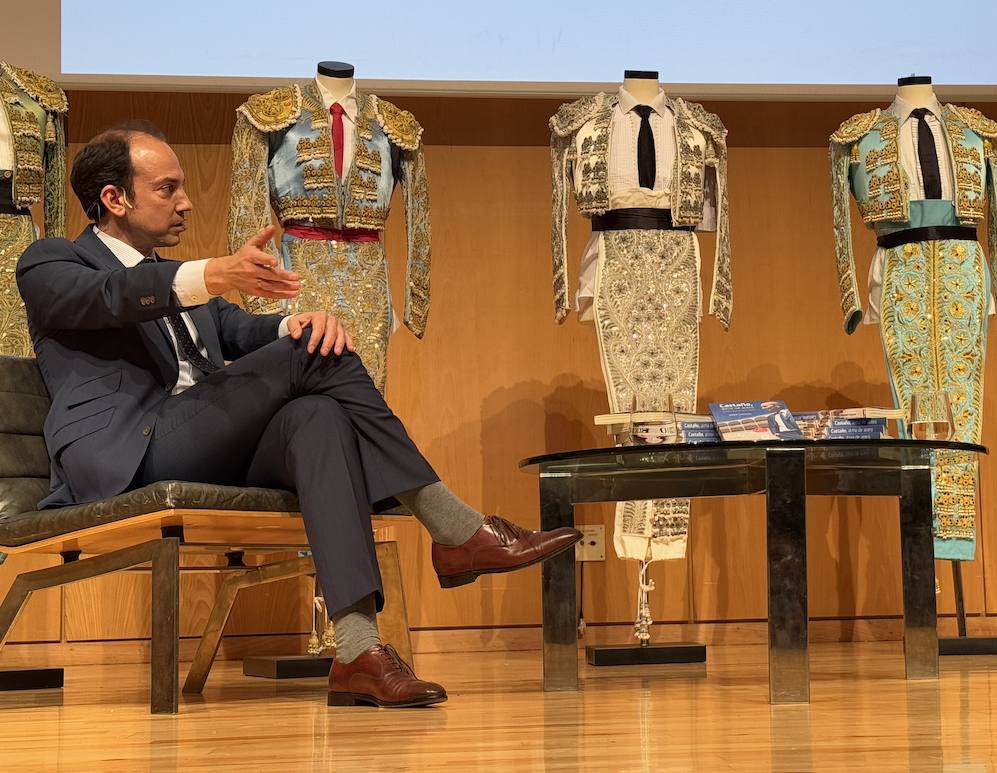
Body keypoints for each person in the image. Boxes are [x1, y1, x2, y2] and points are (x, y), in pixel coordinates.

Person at [16, 121, 581, 708]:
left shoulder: (182, 282)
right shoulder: (52, 262)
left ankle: (359, 650)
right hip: (132, 454)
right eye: (167, 189)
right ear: (114, 198)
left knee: (317, 415)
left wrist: (297, 323)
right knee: (310, 363)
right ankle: (456, 528)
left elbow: (241, 330)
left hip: (204, 443)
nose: (185, 202)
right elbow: (108, 298)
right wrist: (211, 274)